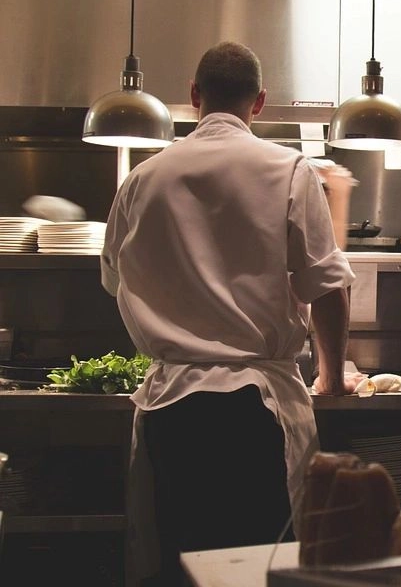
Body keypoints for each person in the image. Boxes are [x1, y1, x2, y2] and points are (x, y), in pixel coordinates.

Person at [100, 41, 366, 585]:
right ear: (260, 101)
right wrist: (331, 377)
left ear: (194, 96)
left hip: (170, 411)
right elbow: (327, 288)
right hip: (254, 414)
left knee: (184, 566)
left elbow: (114, 280)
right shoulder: (288, 169)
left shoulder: (142, 178)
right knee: (260, 571)